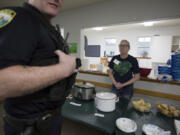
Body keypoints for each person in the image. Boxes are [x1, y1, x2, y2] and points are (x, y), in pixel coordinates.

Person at [0, 0, 78, 135]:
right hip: (29, 127)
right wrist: (64, 69)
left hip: (51, 120)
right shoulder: (20, 18)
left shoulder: (48, 29)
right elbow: (3, 83)